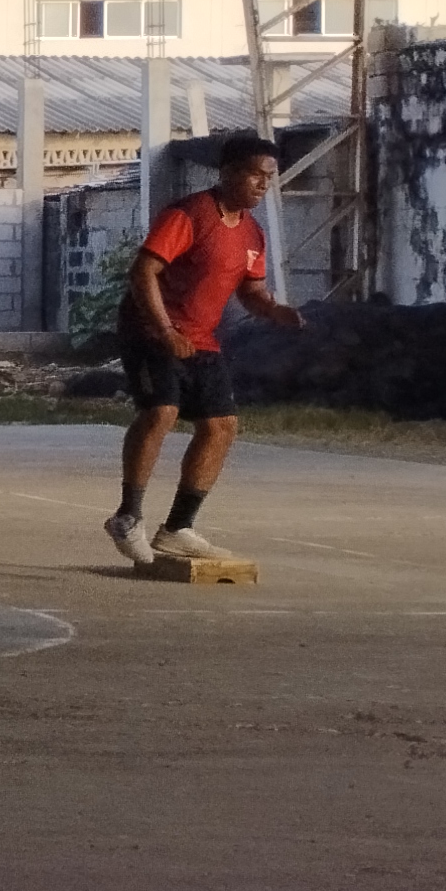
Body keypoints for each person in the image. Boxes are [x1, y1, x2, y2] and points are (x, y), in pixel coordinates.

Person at [106, 134, 303, 568]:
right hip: (150, 331)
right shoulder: (189, 215)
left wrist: (273, 310)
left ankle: (177, 528)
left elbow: (251, 291)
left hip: (200, 337)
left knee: (221, 426)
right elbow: (144, 272)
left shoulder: (252, 233)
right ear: (228, 172)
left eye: (269, 177)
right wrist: (164, 330)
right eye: (255, 175)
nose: (263, 184)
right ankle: (127, 517)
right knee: (162, 412)